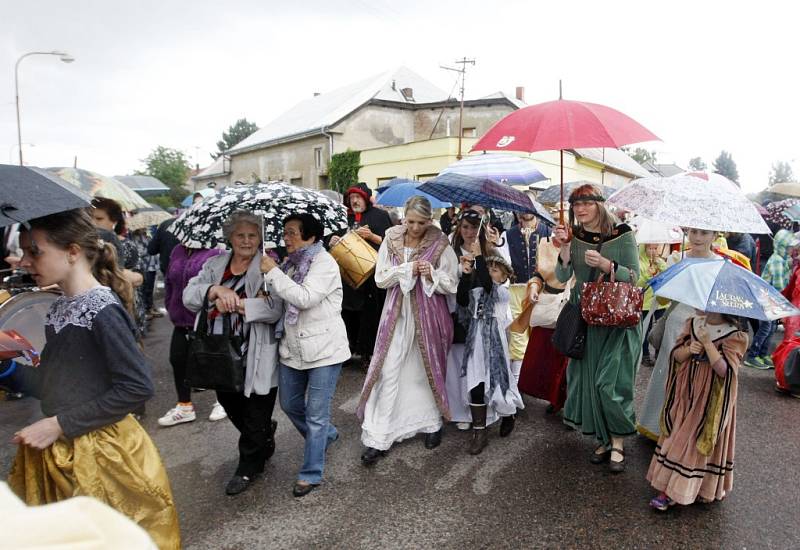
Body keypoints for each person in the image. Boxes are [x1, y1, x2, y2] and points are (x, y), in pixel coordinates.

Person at [2, 209, 180, 548]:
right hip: (64, 447)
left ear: (72, 252)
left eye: (34, 251)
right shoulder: (59, 308)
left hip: (101, 453)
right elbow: (52, 384)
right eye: (23, 252)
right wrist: (6, 368)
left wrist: (59, 425)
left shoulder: (102, 310)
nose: (24, 261)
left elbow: (137, 388)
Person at [183, 210, 284, 496]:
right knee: (230, 403)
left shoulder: (269, 267)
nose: (247, 241)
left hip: (256, 349)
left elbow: (277, 309)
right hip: (221, 350)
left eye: (253, 235)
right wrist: (215, 290)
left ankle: (248, 467)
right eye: (240, 235)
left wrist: (240, 304)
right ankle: (264, 435)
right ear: (230, 237)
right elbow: (188, 298)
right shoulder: (214, 265)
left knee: (255, 408)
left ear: (261, 238)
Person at [357, 196, 459, 465]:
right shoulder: (391, 237)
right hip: (396, 316)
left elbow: (452, 283)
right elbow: (381, 278)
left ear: (429, 220)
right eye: (410, 221)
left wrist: (431, 274)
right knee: (388, 371)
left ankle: (431, 424)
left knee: (425, 372)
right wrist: (407, 268)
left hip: (429, 316)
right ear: (403, 218)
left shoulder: (440, 242)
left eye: (421, 223)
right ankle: (380, 436)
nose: (415, 228)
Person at [260, 213, 350, 497]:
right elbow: (284, 301)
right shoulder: (289, 264)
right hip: (292, 347)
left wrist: (272, 272)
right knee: (289, 404)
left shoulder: (324, 263)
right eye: (284, 232)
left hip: (324, 350)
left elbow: (305, 297)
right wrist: (269, 289)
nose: (286, 237)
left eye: (292, 233)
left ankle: (311, 472)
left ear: (310, 236)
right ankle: (328, 435)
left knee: (316, 415)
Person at [552, 184, 640, 473]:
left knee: (609, 384)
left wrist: (607, 265)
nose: (580, 209)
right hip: (587, 319)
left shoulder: (623, 234)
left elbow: (634, 278)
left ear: (600, 205)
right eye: (576, 204)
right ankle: (603, 440)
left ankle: (618, 441)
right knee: (590, 383)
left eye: (587, 203)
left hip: (616, 321)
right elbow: (563, 275)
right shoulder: (575, 237)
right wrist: (565, 246)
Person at [646, 311, 748, 511]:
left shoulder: (735, 335)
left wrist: (708, 344)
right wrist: (688, 350)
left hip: (709, 400)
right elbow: (676, 355)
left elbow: (725, 372)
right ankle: (678, 487)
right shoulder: (692, 322)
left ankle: (674, 491)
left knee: (694, 439)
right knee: (677, 435)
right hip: (685, 393)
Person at [637, 228, 722, 441]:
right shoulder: (677, 258)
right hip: (676, 324)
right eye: (694, 232)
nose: (697, 238)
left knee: (696, 376)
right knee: (667, 372)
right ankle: (657, 427)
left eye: (704, 233)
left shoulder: (720, 265)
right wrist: (665, 282)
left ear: (714, 236)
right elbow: (664, 301)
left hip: (704, 327)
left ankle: (685, 431)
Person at [457, 252, 524, 454]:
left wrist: (478, 253)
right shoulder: (478, 290)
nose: (488, 273)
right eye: (488, 269)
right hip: (475, 343)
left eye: (494, 270)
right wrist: (467, 275)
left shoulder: (502, 291)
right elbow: (461, 299)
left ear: (504, 276)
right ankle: (480, 432)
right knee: (476, 383)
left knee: (498, 385)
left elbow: (488, 284)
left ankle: (508, 414)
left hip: (495, 345)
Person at [157, 242, 225, 427]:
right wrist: (171, 307)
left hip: (205, 319)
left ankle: (223, 402)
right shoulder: (177, 250)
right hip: (180, 320)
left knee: (212, 361)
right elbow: (170, 281)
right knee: (178, 359)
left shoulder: (217, 252)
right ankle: (184, 406)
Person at [330, 183, 392, 369]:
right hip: (346, 277)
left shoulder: (380, 216)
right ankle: (346, 351)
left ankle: (368, 353)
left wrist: (372, 237)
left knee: (369, 316)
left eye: (358, 197)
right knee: (346, 315)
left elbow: (391, 244)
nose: (354, 201)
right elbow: (333, 241)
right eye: (351, 198)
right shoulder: (342, 218)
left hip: (371, 278)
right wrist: (331, 240)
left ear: (365, 198)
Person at [446, 209, 497, 430]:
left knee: (479, 366)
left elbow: (492, 284)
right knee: (458, 364)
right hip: (458, 314)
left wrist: (478, 258)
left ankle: (480, 410)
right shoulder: (450, 251)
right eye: (465, 227)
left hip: (483, 317)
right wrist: (460, 270)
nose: (469, 232)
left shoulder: (489, 251)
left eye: (474, 227)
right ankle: (460, 410)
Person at [504, 208, 552, 378]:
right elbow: (503, 263)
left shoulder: (548, 232)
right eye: (521, 208)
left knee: (539, 337)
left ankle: (533, 378)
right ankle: (516, 383)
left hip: (542, 290)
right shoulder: (508, 235)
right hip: (517, 290)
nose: (525, 212)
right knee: (518, 336)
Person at [90, 197, 146, 336]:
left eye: (99, 218)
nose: (93, 223)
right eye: (90, 218)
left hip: (123, 303)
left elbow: (139, 276)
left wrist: (119, 273)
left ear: (114, 221)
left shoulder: (127, 245)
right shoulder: (83, 245)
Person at [745, 229, 799, 369]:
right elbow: (780, 286)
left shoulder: (782, 259)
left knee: (771, 328)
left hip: (773, 300)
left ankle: (763, 354)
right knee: (766, 328)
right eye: (790, 247)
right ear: (783, 246)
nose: (792, 249)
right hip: (767, 299)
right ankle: (753, 355)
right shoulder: (777, 261)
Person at [639, 243, 669, 366]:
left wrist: (661, 265)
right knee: (645, 329)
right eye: (650, 248)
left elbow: (667, 276)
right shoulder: (640, 263)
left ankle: (659, 354)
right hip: (645, 302)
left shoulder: (660, 262)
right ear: (644, 248)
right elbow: (637, 283)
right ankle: (645, 355)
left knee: (661, 328)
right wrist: (647, 276)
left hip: (660, 301)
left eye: (655, 248)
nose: (653, 251)